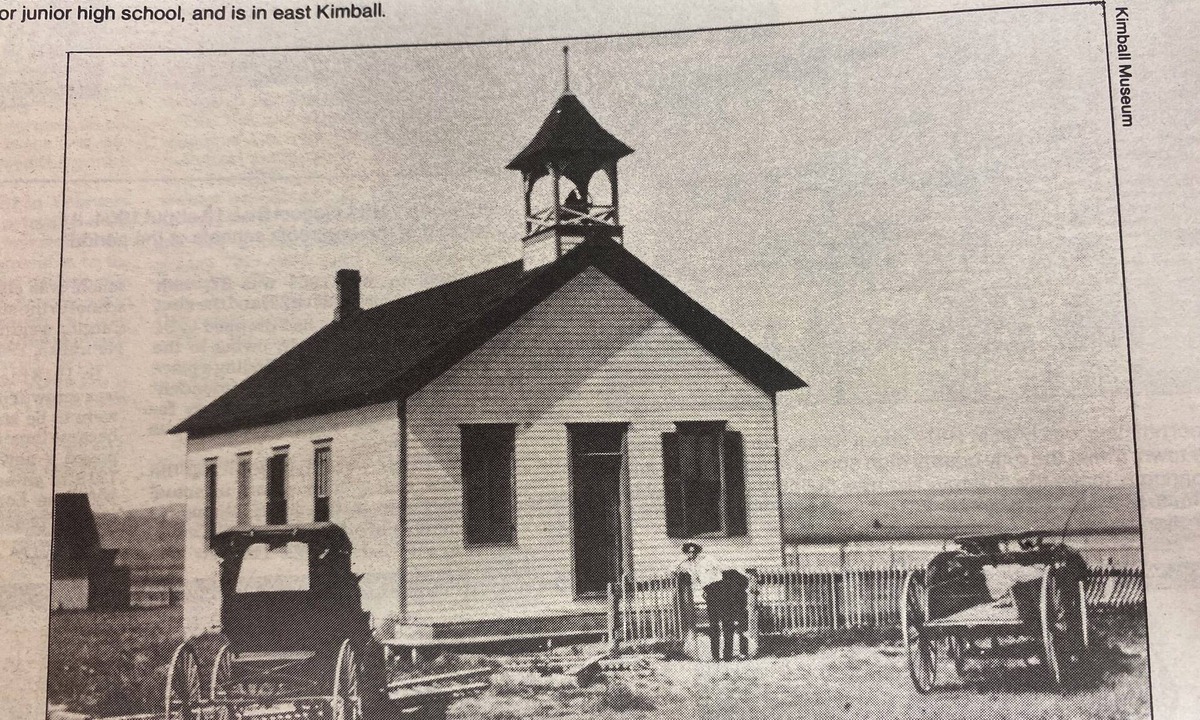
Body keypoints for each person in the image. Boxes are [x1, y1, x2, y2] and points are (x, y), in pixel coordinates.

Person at [675, 542, 745, 661]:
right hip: (709, 594)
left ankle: (727, 655)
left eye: (694, 551)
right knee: (713, 625)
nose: (692, 554)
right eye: (689, 552)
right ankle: (715, 656)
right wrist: (682, 560)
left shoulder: (708, 559)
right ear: (686, 553)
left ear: (698, 551)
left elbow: (722, 568)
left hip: (721, 590)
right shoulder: (691, 566)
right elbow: (676, 569)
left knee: (727, 623)